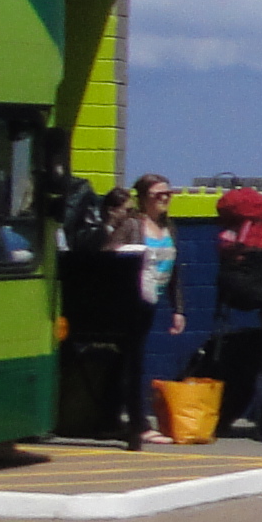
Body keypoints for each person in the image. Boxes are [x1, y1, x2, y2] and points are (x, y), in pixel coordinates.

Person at [103, 172, 177, 446]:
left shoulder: (169, 227)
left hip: (152, 300)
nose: (165, 199)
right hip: (131, 302)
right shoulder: (133, 225)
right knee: (133, 363)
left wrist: (177, 309)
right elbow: (109, 254)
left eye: (168, 194)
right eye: (158, 195)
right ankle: (139, 424)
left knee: (130, 362)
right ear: (144, 198)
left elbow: (175, 270)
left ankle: (118, 420)